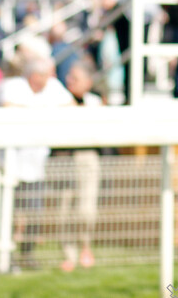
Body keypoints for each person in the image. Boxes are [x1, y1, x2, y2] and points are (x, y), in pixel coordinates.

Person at [0, 53, 74, 270]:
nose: (47, 79)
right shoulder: (12, 86)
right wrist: (45, 113)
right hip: (9, 163)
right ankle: (7, 256)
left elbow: (71, 106)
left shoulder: (53, 87)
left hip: (37, 163)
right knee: (9, 213)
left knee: (34, 213)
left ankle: (27, 254)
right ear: (32, 75)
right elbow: (7, 108)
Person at [57, 59, 102, 272]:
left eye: (75, 78)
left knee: (86, 209)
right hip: (64, 159)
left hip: (87, 158)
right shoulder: (59, 100)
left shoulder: (95, 102)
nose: (69, 81)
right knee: (64, 210)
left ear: (88, 81)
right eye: (69, 77)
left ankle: (86, 247)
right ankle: (68, 255)